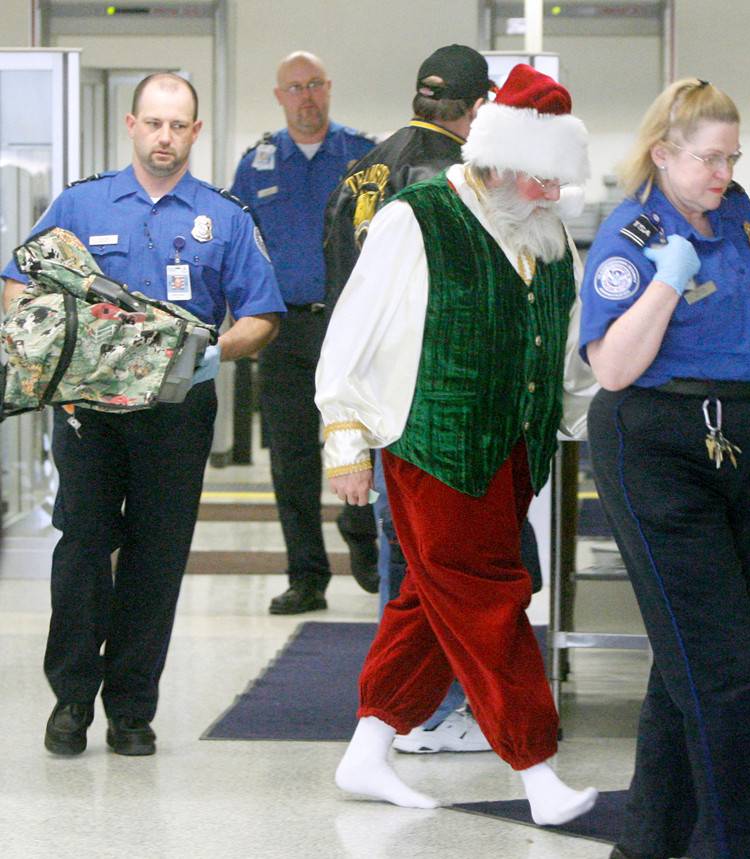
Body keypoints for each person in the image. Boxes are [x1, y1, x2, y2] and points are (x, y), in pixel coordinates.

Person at [315, 64, 599, 825]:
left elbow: (564, 347)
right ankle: (537, 768)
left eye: (558, 182)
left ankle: (368, 748)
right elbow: (354, 328)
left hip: (512, 450)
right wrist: (344, 438)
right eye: (541, 179)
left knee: (428, 599)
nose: (551, 196)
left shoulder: (546, 236)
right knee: (488, 598)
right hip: (429, 441)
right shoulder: (417, 217)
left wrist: (577, 417)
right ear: (498, 159)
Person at [580, 78, 750, 858]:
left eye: (732, 156)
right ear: (663, 153)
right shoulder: (633, 236)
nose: (723, 173)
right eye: (708, 159)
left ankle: (649, 842)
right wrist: (666, 275)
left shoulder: (736, 208)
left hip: (748, 437)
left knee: (688, 651)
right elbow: (613, 365)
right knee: (728, 667)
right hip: (661, 443)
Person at [1, 72, 284, 757]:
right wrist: (46, 355)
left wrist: (215, 352)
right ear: (131, 125)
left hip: (176, 413)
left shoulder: (225, 217)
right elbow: (17, 281)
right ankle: (71, 699)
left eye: (178, 125)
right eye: (153, 123)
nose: (165, 137)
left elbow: (262, 315)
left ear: (195, 131)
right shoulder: (80, 202)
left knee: (156, 560)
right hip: (89, 415)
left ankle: (131, 708)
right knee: (82, 549)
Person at [323, 43, 495, 754]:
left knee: (407, 562)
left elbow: (342, 295)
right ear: (478, 107)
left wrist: (346, 423)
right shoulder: (453, 181)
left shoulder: (360, 171)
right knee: (449, 562)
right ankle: (444, 703)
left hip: (375, 395)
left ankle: (405, 706)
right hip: (439, 401)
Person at [231, 52, 377, 614]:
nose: (306, 96)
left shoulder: (365, 155)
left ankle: (362, 533)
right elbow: (240, 247)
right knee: (291, 458)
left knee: (365, 441)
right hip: (286, 330)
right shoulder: (258, 166)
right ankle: (307, 577)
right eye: (294, 87)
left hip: (353, 329)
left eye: (314, 84)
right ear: (279, 96)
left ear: (329, 87)